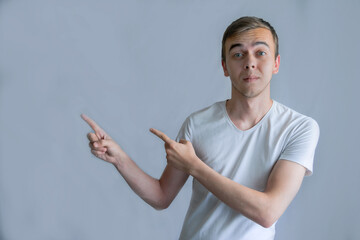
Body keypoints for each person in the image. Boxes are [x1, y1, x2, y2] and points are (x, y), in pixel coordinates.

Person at [81, 16, 319, 240]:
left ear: (276, 63)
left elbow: (268, 212)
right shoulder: (197, 124)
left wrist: (194, 166)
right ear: (225, 67)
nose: (249, 63)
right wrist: (119, 158)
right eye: (238, 54)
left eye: (260, 52)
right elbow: (161, 196)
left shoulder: (298, 128)